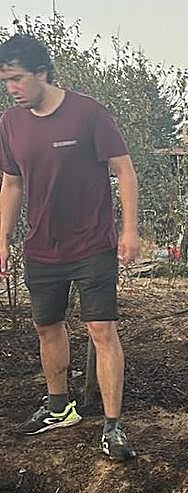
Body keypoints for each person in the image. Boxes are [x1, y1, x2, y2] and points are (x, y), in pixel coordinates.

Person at [0, 33, 139, 461]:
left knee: (101, 330)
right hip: (41, 247)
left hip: (91, 244)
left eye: (18, 79)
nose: (12, 89)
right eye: (6, 81)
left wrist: (129, 230)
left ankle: (113, 427)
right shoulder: (10, 124)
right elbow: (11, 183)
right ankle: (60, 406)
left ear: (42, 73)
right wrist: (2, 239)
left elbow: (124, 170)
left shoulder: (88, 114)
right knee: (47, 327)